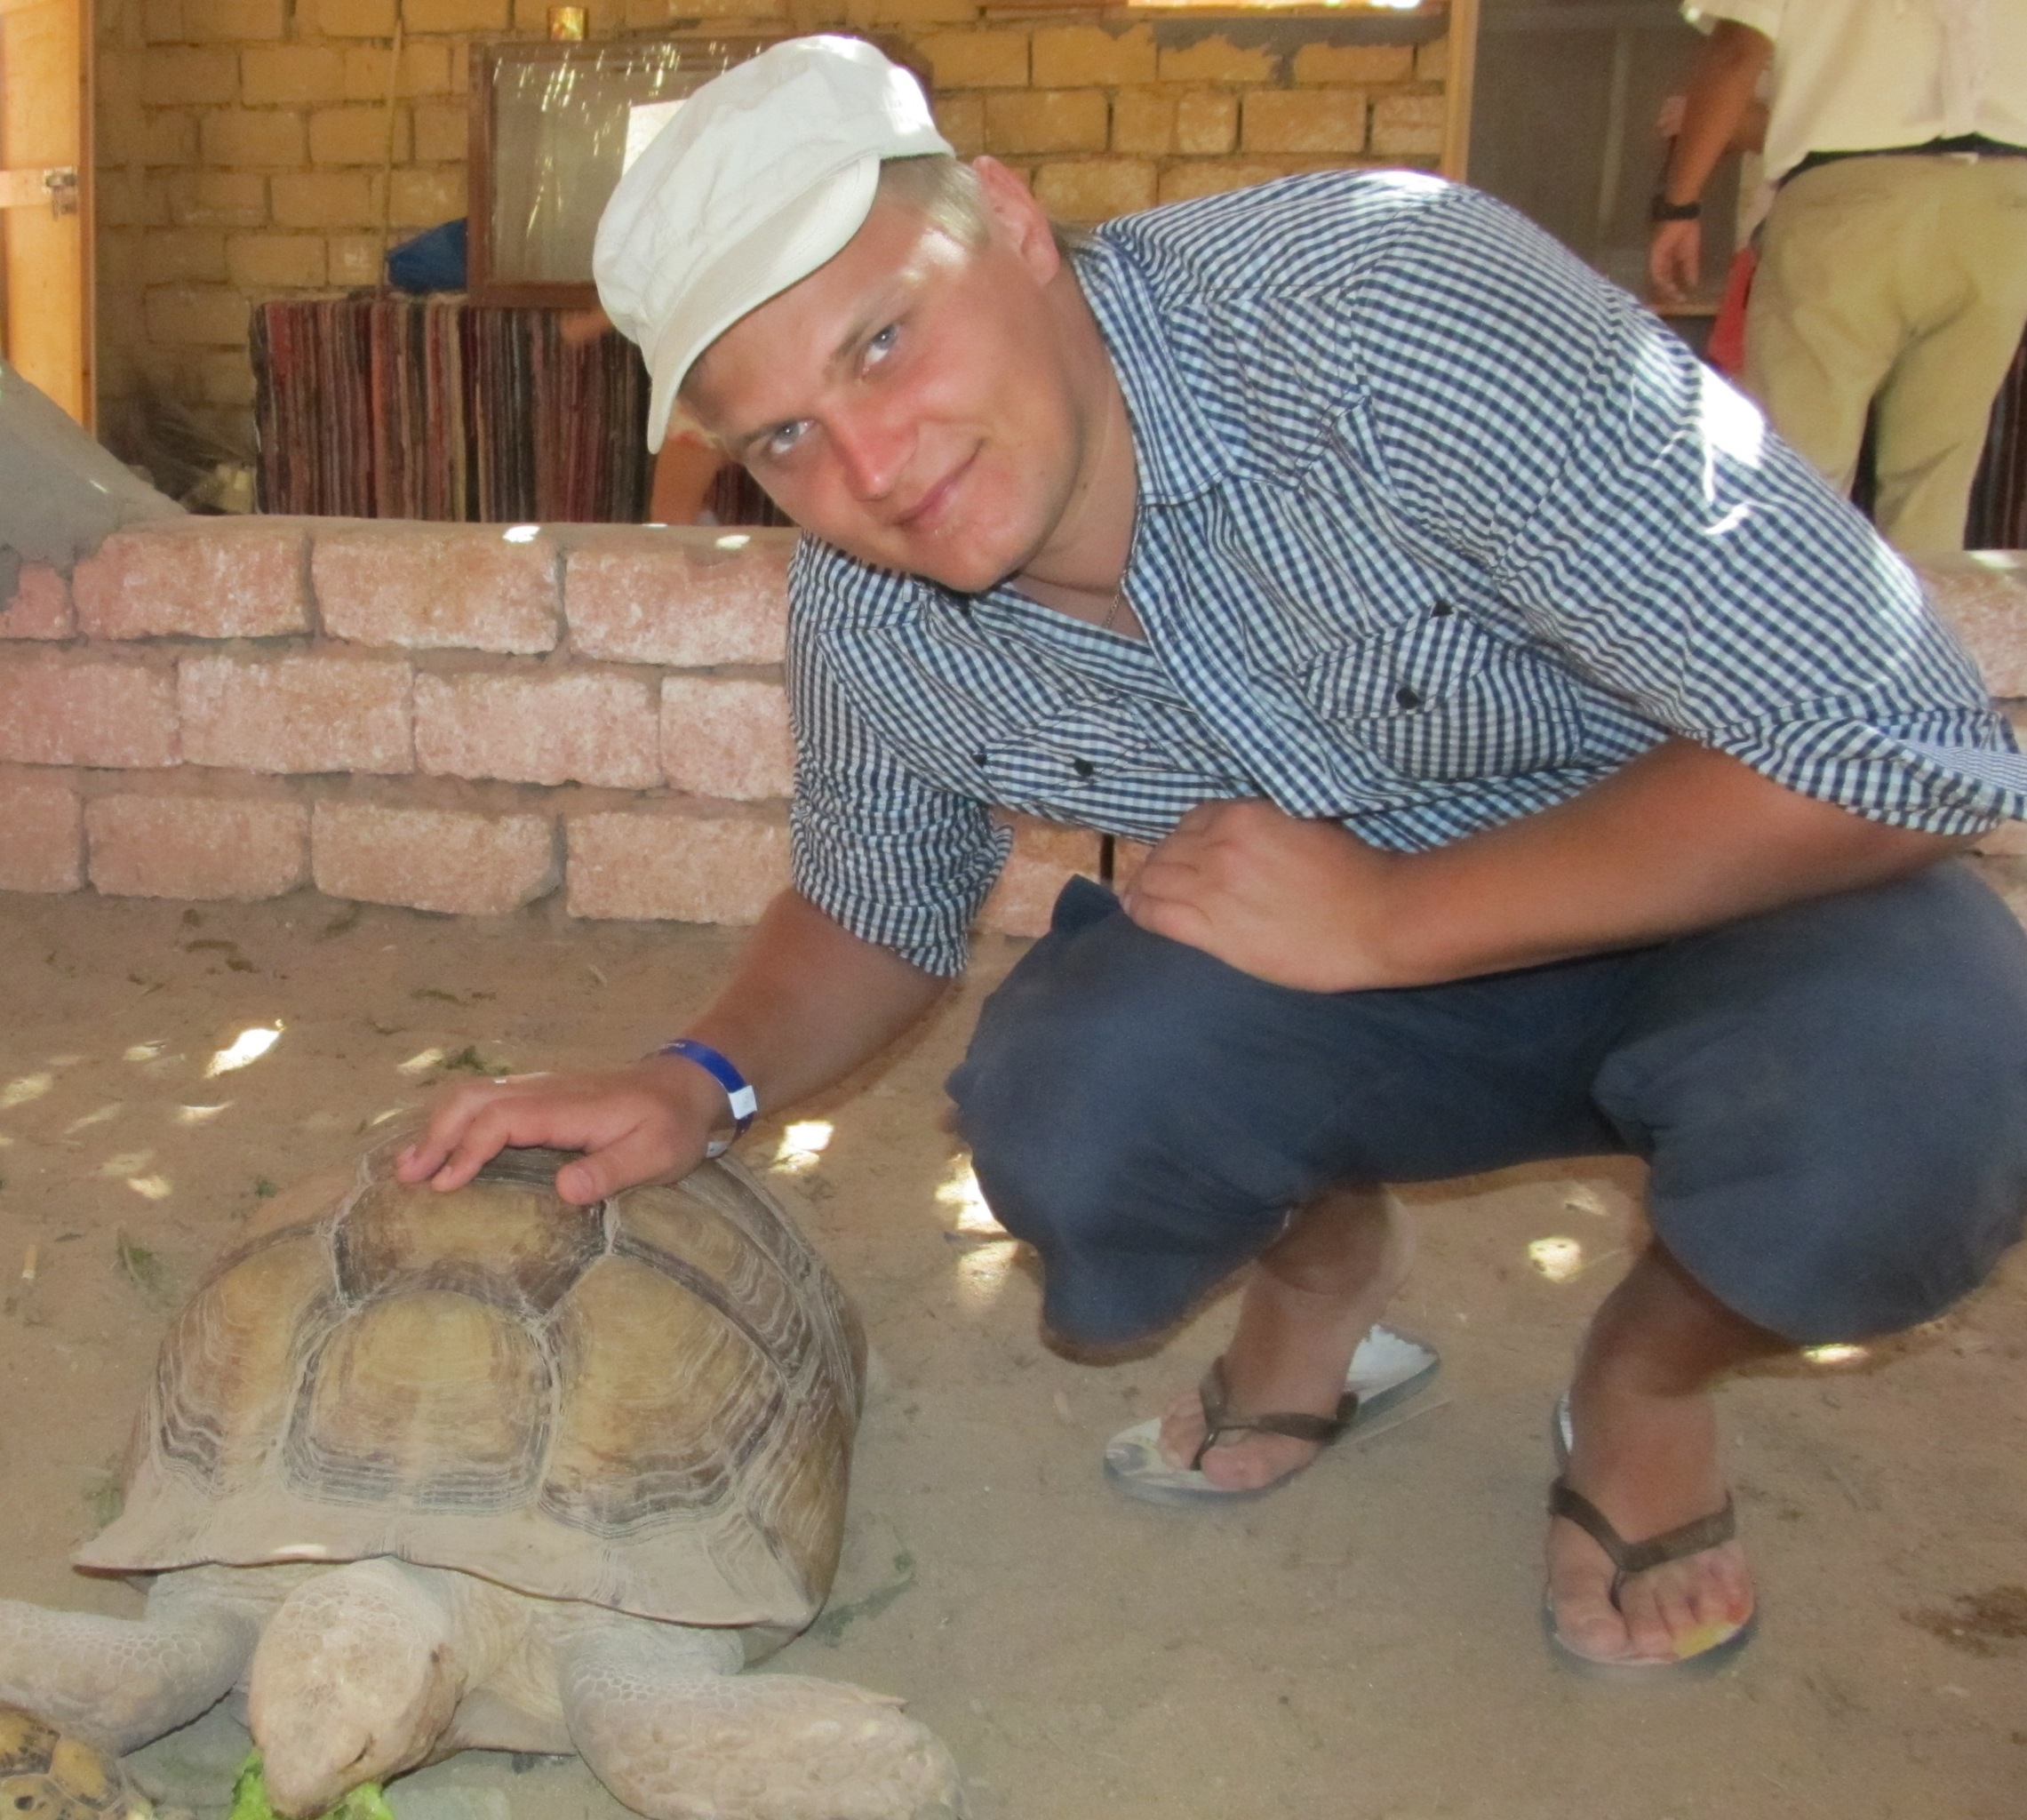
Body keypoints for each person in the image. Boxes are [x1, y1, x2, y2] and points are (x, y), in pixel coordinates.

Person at [400, 36, 2027, 1680]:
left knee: (1934, 1090)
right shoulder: (872, 610)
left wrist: (1394, 913)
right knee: (1075, 1107)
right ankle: (1323, 1272)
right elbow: (874, 904)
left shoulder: (1390, 309)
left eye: (882, 341)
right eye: (784, 440)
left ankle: (1647, 1376)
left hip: (1719, 897)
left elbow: (1897, 737)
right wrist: (695, 1078)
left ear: (1011, 223)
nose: (874, 471)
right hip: (1342, 977)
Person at [1649, 1, 2027, 553]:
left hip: (1849, 201)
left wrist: (1679, 202)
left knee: (1799, 477)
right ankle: (1919, 606)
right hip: (2001, 204)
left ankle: (1793, 600)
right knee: (1934, 485)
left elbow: (1736, 50)